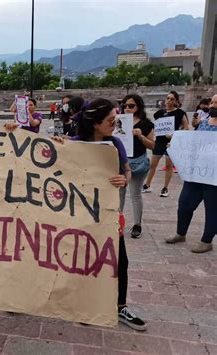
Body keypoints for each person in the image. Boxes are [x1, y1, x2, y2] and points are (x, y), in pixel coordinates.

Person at [53, 98, 146, 331]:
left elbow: (127, 171)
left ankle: (120, 305)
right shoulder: (73, 144)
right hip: (80, 216)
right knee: (84, 259)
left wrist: (124, 179)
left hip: (108, 214)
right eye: (110, 120)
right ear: (95, 123)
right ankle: (87, 304)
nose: (115, 124)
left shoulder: (115, 144)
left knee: (120, 261)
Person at [166, 94, 217, 252]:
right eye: (212, 102)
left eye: (216, 103)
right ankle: (181, 233)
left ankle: (206, 241)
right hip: (197, 173)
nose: (213, 105)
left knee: (213, 209)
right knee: (185, 204)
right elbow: (194, 144)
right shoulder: (204, 122)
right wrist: (176, 144)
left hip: (214, 177)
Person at [143, 91, 189, 197]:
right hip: (159, 141)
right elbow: (156, 125)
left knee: (169, 166)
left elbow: (186, 128)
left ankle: (165, 188)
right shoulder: (159, 113)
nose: (169, 100)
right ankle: (147, 185)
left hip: (171, 142)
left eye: (172, 99)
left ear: (176, 101)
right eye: (168, 98)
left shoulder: (180, 113)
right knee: (153, 165)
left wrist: (175, 135)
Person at [121, 94, 155, 238]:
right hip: (121, 162)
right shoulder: (118, 121)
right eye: (125, 105)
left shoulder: (146, 124)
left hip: (137, 162)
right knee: (119, 194)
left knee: (135, 193)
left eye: (131, 106)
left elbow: (153, 145)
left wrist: (141, 136)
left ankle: (137, 225)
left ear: (138, 107)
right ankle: (118, 221)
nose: (127, 108)